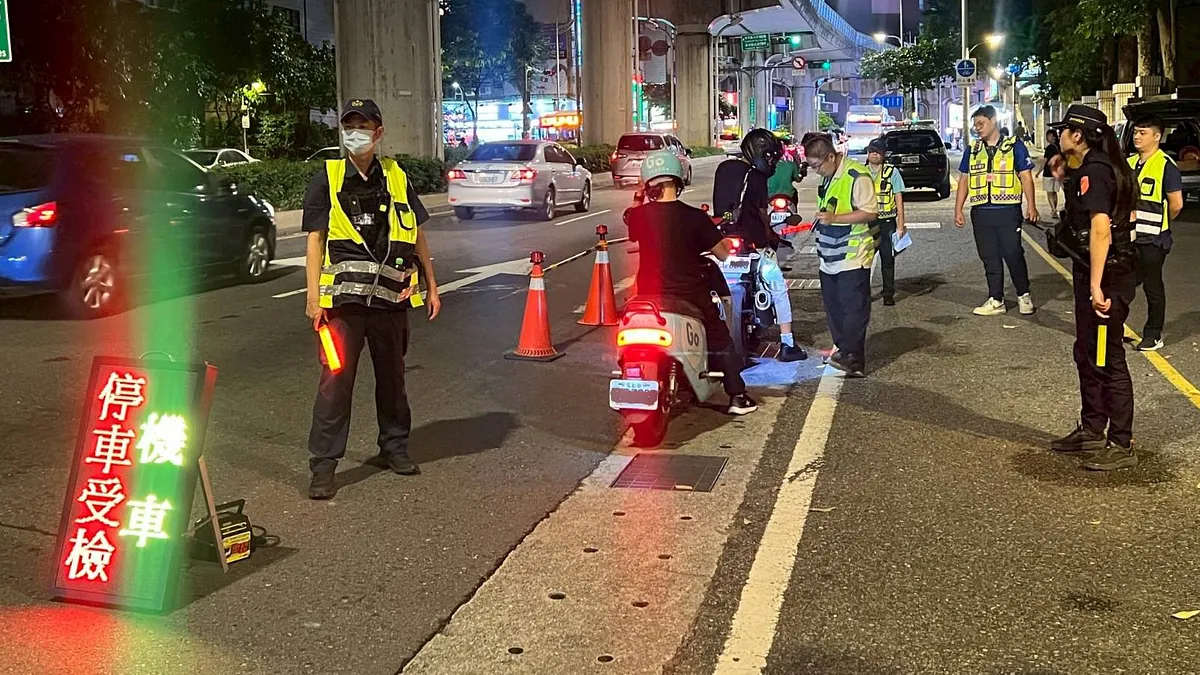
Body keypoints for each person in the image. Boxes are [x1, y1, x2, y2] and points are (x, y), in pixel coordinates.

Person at [301, 98, 442, 499]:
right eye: (350, 126)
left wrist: (433, 285)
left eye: (363, 126)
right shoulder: (327, 178)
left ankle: (394, 448)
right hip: (342, 305)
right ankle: (324, 466)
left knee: (393, 379)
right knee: (334, 382)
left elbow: (416, 234)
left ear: (378, 133)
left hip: (390, 302)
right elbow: (315, 241)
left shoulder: (397, 177)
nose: (355, 133)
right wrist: (314, 298)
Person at [626, 150, 758, 415]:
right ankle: (737, 396)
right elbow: (722, 253)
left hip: (648, 295)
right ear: (678, 181)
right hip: (689, 294)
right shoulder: (695, 217)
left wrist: (641, 198)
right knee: (719, 336)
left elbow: (633, 232)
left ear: (649, 184)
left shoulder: (640, 216)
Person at [1046, 104, 1139, 471]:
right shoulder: (1091, 167)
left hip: (1107, 278)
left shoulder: (1096, 172)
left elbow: (1101, 229)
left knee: (1106, 357)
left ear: (1079, 135)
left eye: (1064, 131)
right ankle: (1091, 427)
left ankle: (1121, 442)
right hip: (1095, 273)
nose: (1059, 136)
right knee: (1086, 351)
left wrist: (1097, 286)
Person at [712, 128, 807, 362]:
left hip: (723, 239)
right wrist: (771, 235)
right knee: (777, 287)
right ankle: (787, 343)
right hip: (754, 243)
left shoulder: (724, 168)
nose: (771, 161)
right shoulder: (756, 177)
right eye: (769, 156)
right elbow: (763, 213)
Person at [802, 133, 878, 376]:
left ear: (831, 157)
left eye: (817, 166)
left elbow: (870, 212)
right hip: (829, 256)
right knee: (835, 309)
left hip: (853, 256)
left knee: (853, 309)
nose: (815, 171)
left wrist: (835, 219)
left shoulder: (857, 176)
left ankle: (854, 358)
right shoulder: (828, 178)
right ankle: (844, 352)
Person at [954, 105, 1040, 316]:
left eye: (981, 124)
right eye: (975, 125)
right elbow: (964, 180)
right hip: (981, 211)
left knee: (1013, 254)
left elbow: (1026, 177)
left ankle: (1023, 295)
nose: (978, 128)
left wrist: (1032, 205)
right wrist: (958, 209)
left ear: (994, 121)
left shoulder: (1014, 146)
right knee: (989, 256)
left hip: (1008, 211)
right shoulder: (972, 150)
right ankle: (996, 299)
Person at [1128, 115, 1183, 352]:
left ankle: (1153, 334)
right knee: (1124, 283)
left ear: (1157, 136)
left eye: (1143, 132)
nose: (1137, 137)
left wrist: (1162, 223)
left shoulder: (1166, 165)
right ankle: (1115, 326)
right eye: (1136, 132)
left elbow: (1176, 204)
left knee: (1152, 286)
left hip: (1153, 240)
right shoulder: (1128, 163)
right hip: (1129, 238)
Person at [864, 138, 907, 305]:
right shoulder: (861, 172)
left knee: (887, 259)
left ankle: (888, 293)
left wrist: (901, 223)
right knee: (864, 260)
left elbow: (898, 197)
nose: (874, 154)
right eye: (871, 151)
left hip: (887, 222)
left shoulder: (892, 172)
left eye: (878, 151)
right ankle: (863, 294)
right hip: (866, 223)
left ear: (883, 154)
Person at [1041, 129, 1062, 214]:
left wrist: (1039, 172)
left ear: (1053, 137)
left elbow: (1045, 161)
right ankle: (1054, 210)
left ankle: (1053, 209)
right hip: (1057, 172)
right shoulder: (1060, 146)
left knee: (1049, 193)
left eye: (1048, 136)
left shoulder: (1049, 147)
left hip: (1048, 173)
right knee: (1054, 192)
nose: (1047, 138)